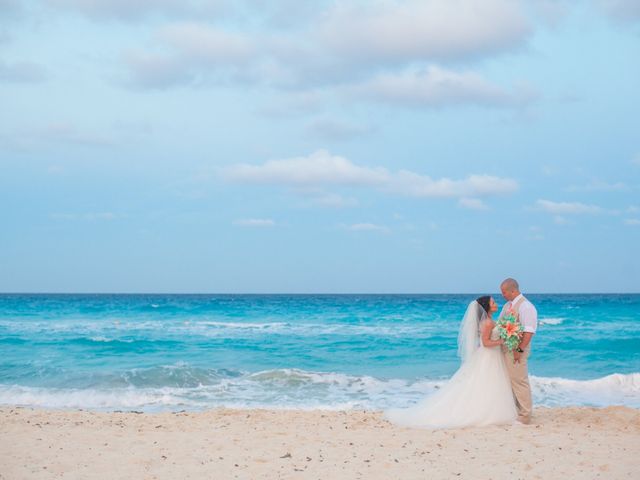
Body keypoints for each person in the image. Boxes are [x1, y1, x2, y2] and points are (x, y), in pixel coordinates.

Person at [384, 296, 517, 429]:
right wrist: (502, 341)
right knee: (487, 383)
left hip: (491, 356)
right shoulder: (487, 323)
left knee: (488, 383)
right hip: (489, 355)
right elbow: (486, 343)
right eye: (493, 302)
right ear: (486, 306)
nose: (495, 304)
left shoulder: (489, 321)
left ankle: (490, 409)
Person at [499, 278, 538, 425]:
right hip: (507, 348)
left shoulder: (526, 307)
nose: (502, 295)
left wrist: (519, 349)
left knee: (519, 381)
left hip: (517, 349)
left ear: (513, 290)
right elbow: (501, 325)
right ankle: (516, 410)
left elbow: (529, 331)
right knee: (510, 381)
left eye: (504, 292)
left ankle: (525, 415)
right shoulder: (507, 306)